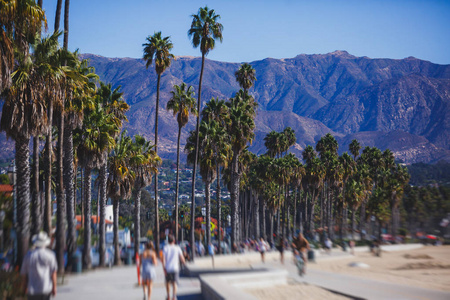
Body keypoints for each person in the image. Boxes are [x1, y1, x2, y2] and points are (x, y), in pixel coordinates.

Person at [20, 232, 57, 300]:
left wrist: (24, 288)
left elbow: (24, 274)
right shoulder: (50, 255)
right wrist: (54, 288)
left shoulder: (28, 256)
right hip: (45, 289)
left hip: (32, 290)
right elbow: (53, 273)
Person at [161, 235, 185, 300]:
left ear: (168, 241)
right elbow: (182, 258)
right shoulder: (177, 248)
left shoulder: (165, 248)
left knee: (168, 282)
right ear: (174, 241)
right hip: (175, 268)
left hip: (168, 268)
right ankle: (174, 296)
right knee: (174, 282)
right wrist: (184, 263)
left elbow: (163, 259)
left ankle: (168, 295)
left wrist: (164, 268)